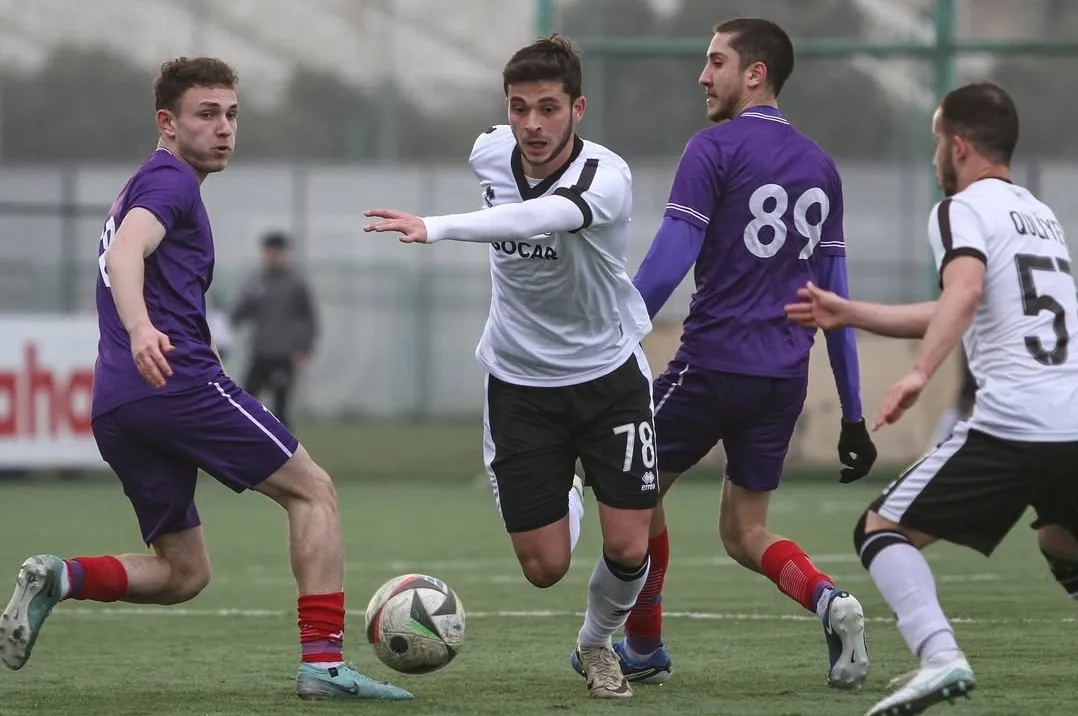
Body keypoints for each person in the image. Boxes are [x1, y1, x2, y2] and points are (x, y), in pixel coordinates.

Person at [0, 56, 411, 702]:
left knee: (183, 572)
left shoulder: (145, 183)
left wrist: (162, 333)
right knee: (313, 492)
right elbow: (125, 252)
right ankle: (325, 665)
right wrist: (142, 329)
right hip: (173, 383)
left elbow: (144, 266)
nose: (224, 128)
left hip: (117, 403)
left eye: (232, 115)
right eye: (207, 114)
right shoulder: (171, 182)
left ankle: (62, 576)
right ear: (167, 123)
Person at [569, 18, 877, 690]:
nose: (703, 76)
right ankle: (831, 600)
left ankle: (642, 645)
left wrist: (604, 338)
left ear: (755, 73)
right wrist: (854, 415)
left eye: (716, 62)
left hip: (709, 368)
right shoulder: (821, 166)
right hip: (782, 381)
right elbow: (838, 303)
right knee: (745, 533)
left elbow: (669, 261)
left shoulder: (713, 148)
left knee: (630, 496)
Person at [364, 34, 656, 699]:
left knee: (628, 548)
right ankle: (570, 483)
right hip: (520, 384)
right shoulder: (490, 152)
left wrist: (436, 226)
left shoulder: (605, 177)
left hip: (608, 376)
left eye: (549, 108)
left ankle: (596, 645)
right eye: (519, 107)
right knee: (543, 567)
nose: (532, 124)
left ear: (578, 108)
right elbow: (508, 192)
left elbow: (537, 217)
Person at [785, 81, 1078, 716]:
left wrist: (920, 373)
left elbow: (963, 292)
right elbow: (960, 304)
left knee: (881, 530)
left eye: (936, 140)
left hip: (1015, 423)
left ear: (960, 146)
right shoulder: (1038, 214)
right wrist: (851, 312)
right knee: (1062, 540)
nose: (934, 155)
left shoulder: (959, 209)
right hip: (1072, 422)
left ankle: (939, 656)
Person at [231, 230, 318, 428]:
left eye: (277, 252)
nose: (272, 256)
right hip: (260, 352)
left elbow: (308, 319)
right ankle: (246, 442)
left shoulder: (295, 284)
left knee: (280, 410)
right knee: (246, 402)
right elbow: (240, 313)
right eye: (269, 251)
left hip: (283, 354)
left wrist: (303, 349)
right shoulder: (257, 282)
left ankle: (284, 446)